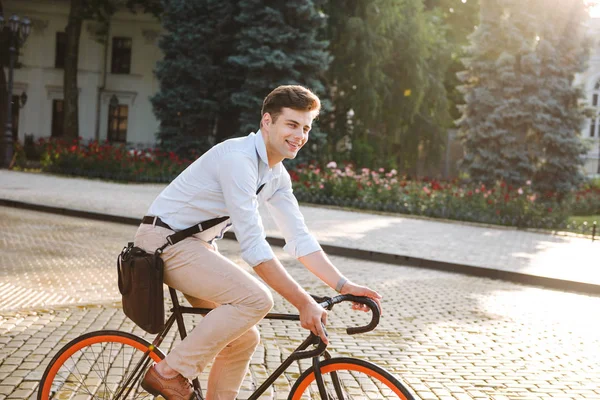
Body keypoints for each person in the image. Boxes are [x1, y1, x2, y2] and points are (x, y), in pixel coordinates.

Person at [136, 85, 382, 400]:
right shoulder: (238, 159)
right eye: (292, 125)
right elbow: (254, 247)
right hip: (162, 243)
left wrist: (343, 285)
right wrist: (303, 302)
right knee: (256, 300)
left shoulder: (276, 175)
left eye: (306, 128)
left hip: (193, 246)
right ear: (267, 122)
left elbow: (300, 239)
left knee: (243, 338)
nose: (300, 135)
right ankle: (167, 372)